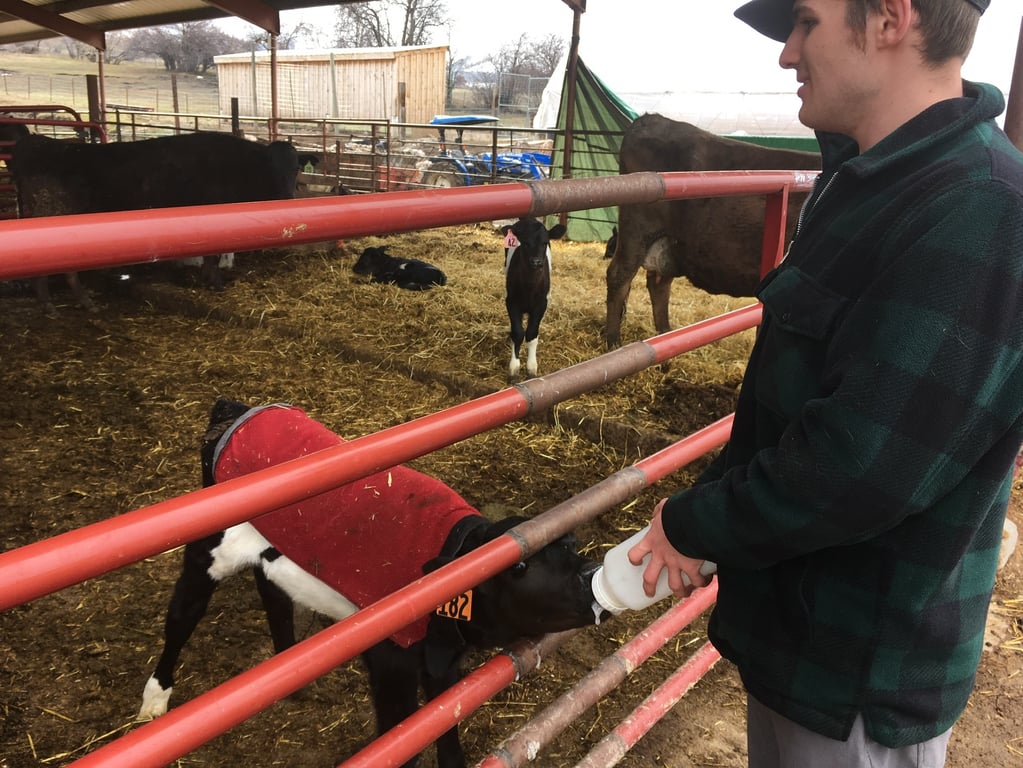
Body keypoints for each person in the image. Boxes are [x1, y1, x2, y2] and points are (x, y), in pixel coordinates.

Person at [628, 1, 1023, 766]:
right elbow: (790, 408)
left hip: (856, 679)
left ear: (889, 19)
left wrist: (691, 524)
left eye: (805, 22)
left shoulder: (980, 209)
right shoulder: (864, 179)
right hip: (798, 640)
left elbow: (859, 468)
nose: (786, 54)